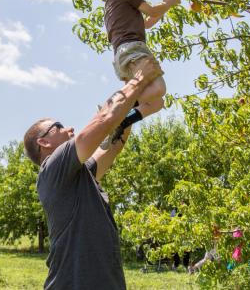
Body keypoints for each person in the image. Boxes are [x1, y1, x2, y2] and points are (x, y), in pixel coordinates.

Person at [23, 56, 163, 289]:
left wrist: (131, 114)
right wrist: (138, 80)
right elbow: (103, 119)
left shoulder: (79, 176)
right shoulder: (53, 167)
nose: (68, 128)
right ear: (43, 142)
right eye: (58, 126)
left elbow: (112, 147)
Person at [98, 0, 181, 149]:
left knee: (156, 103)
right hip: (133, 49)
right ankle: (113, 111)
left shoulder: (111, 6)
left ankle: (122, 121)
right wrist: (171, 2)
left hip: (122, 57)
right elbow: (151, 11)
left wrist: (164, 6)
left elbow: (147, 23)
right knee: (159, 88)